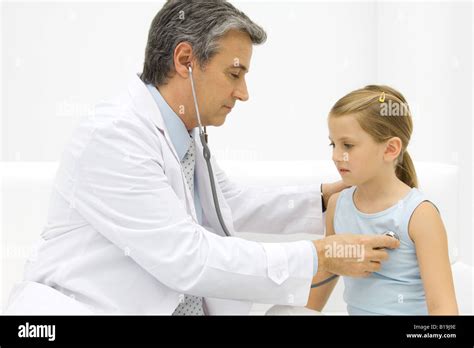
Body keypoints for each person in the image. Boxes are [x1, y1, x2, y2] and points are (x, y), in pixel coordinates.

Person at [6, 0, 398, 315]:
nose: (243, 93)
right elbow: (186, 258)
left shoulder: (185, 134)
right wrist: (320, 255)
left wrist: (326, 200)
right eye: (234, 73)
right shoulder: (113, 137)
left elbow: (230, 204)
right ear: (184, 60)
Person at [306, 85, 458, 315]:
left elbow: (444, 309)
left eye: (348, 145)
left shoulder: (419, 215)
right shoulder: (338, 205)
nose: (337, 156)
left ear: (390, 149)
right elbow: (319, 289)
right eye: (333, 144)